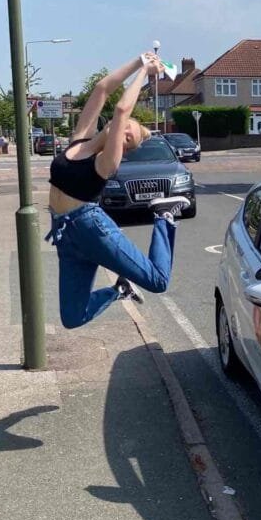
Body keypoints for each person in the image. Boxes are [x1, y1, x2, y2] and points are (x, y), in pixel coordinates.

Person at [46, 52, 190, 329]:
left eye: (128, 139)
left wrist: (145, 72)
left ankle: (164, 217)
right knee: (72, 318)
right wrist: (139, 60)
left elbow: (122, 109)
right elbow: (102, 89)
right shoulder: (80, 138)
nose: (123, 134)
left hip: (92, 229)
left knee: (157, 281)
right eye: (127, 130)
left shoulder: (106, 163)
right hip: (65, 234)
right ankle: (119, 290)